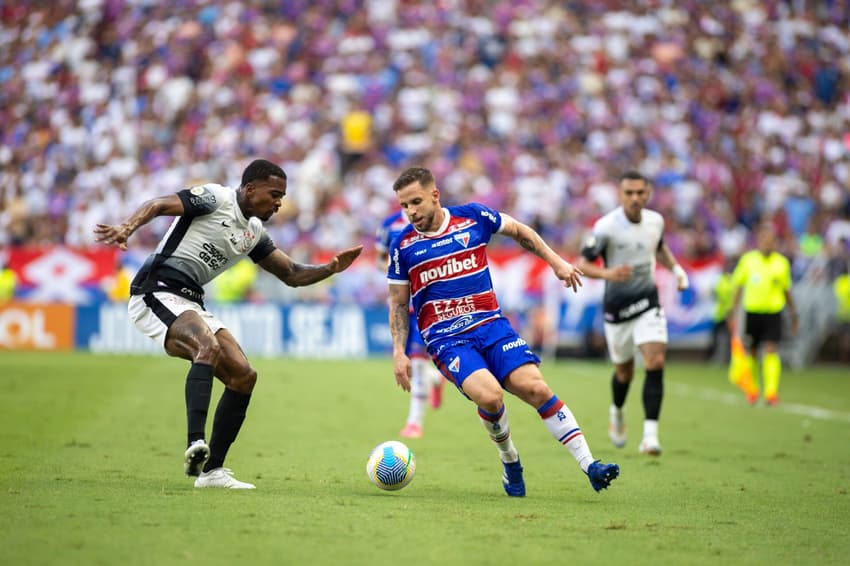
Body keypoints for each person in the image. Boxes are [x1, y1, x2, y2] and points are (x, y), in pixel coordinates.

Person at [94, 159, 363, 489]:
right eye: (274, 194)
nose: (280, 202)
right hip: (156, 289)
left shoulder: (253, 233)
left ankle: (212, 472)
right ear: (251, 189)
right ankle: (195, 444)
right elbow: (159, 204)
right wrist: (127, 227)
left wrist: (331, 268)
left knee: (243, 376)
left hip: (191, 300)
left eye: (283, 196)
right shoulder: (214, 198)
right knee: (206, 346)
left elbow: (291, 274)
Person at [386, 166, 619, 497]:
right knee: (491, 396)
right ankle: (510, 461)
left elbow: (520, 231)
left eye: (416, 202)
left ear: (435, 195)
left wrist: (556, 262)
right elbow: (398, 304)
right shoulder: (403, 246)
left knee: (535, 387)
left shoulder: (473, 217)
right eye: (404, 206)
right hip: (448, 340)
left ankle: (590, 464)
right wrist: (400, 352)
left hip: (492, 325)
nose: (410, 212)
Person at [577, 171, 690, 456]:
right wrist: (608, 273)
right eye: (629, 193)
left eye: (640, 193)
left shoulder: (656, 221)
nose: (635, 198)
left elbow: (660, 248)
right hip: (617, 309)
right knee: (624, 373)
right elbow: (583, 264)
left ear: (648, 193)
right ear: (620, 194)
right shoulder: (606, 227)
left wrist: (676, 269)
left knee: (655, 360)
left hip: (648, 302)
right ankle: (617, 412)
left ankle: (650, 436)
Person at [376, 209, 444, 439]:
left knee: (416, 361)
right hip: (401, 303)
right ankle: (436, 378)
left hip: (427, 303)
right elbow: (379, 259)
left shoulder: (436, 221)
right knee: (411, 365)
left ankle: (414, 422)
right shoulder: (390, 224)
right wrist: (396, 271)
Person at [727, 223, 798, 406]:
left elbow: (786, 290)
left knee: (771, 350)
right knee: (752, 352)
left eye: (770, 240)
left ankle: (771, 392)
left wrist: (793, 313)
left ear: (775, 242)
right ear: (758, 241)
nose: (767, 243)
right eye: (763, 239)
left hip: (773, 313)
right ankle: (752, 390)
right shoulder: (748, 261)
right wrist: (732, 312)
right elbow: (738, 288)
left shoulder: (781, 263)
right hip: (752, 312)